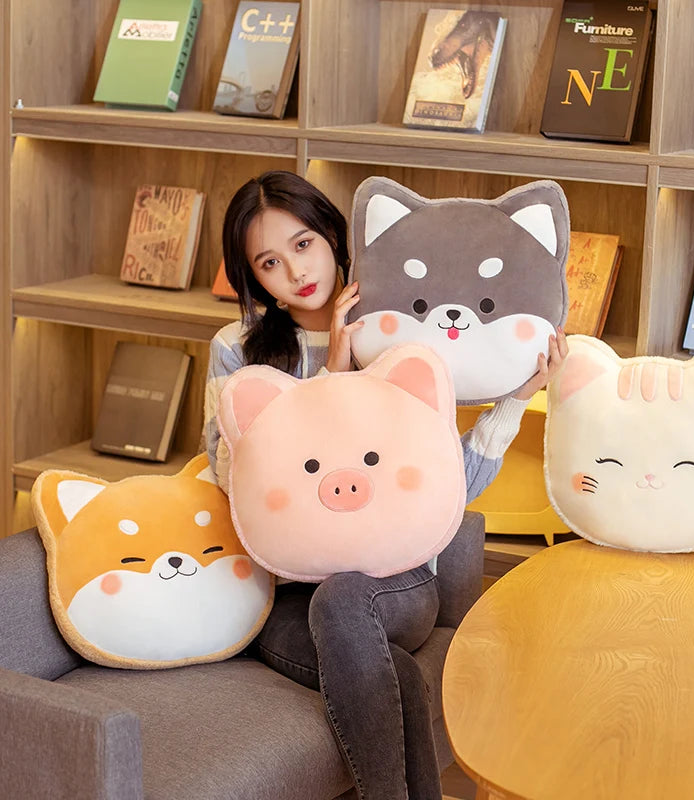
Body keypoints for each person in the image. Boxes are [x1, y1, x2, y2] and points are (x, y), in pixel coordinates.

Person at [204, 170, 568, 800]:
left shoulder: (398, 332)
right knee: (388, 668)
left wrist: (516, 398)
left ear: (334, 236)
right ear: (251, 279)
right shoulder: (238, 353)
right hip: (289, 593)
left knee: (345, 600)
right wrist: (334, 379)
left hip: (396, 583)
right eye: (269, 261)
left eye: (304, 243)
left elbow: (443, 490)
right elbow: (230, 476)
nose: (295, 271)